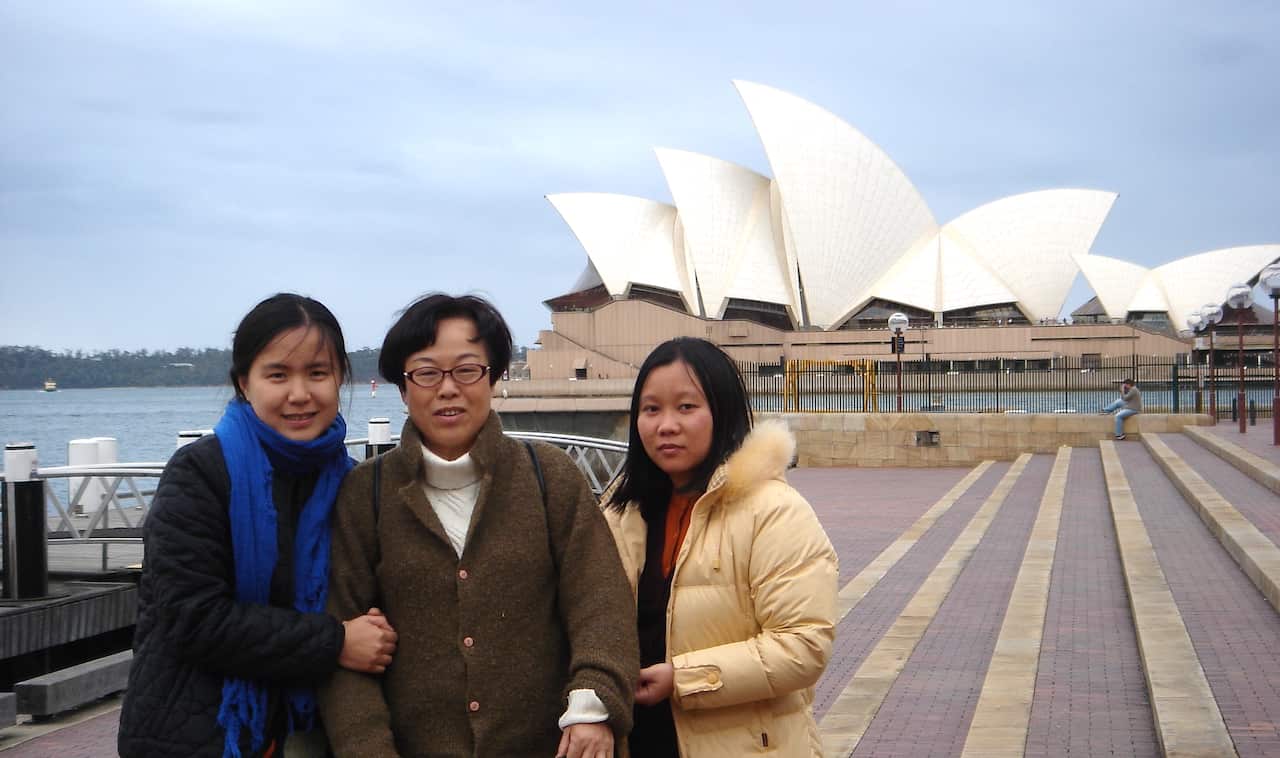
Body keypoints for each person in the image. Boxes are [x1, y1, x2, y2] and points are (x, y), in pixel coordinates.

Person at [320, 293, 638, 758]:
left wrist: (594, 705)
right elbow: (343, 642)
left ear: (495, 377)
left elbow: (600, 605)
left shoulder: (549, 476)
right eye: (426, 373)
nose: (448, 389)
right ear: (404, 389)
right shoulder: (365, 494)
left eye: (467, 369)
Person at [119, 294, 398, 758]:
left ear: (340, 378)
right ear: (244, 383)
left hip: (310, 733)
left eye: (317, 372)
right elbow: (194, 618)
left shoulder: (350, 483)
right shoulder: (200, 475)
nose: (299, 394)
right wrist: (335, 642)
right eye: (277, 374)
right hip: (196, 735)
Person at [603, 337, 838, 757]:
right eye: (651, 409)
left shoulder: (773, 511)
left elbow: (803, 645)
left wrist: (684, 679)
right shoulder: (621, 512)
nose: (666, 425)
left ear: (722, 411)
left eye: (686, 407)